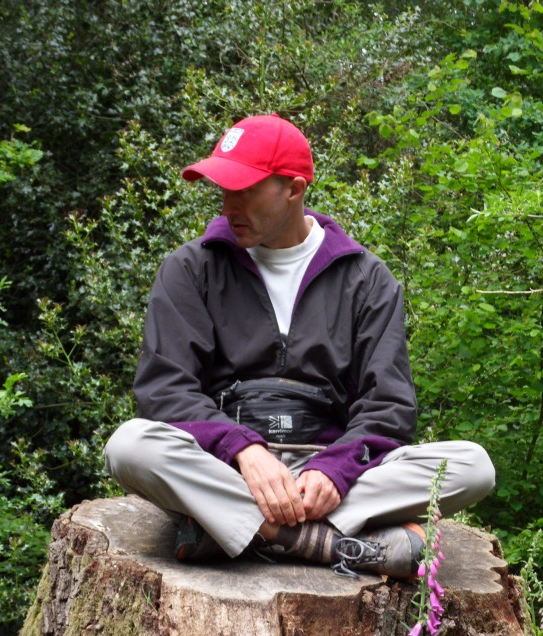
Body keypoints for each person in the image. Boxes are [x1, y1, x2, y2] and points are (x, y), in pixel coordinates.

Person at [104, 114, 495, 578]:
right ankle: (322, 543)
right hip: (228, 466)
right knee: (129, 446)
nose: (229, 205)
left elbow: (388, 406)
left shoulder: (366, 279)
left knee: (473, 466)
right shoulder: (191, 268)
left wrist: (334, 470)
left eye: (244, 189)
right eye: (223, 189)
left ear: (293, 189)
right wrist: (243, 450)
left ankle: (235, 528)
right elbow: (165, 389)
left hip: (328, 475)